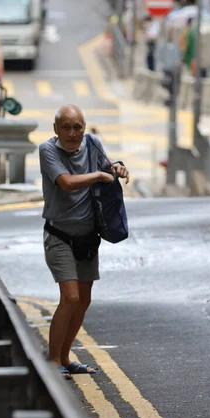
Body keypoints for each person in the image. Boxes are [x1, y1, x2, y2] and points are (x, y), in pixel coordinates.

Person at [39, 105, 129, 380]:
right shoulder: (47, 150)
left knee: (84, 300)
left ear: (84, 127)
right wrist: (99, 176)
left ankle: (65, 356)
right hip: (60, 236)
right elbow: (66, 183)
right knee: (70, 297)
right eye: (65, 127)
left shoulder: (93, 144)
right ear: (56, 129)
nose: (72, 133)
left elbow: (108, 169)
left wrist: (117, 168)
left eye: (77, 127)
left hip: (88, 237)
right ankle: (53, 360)